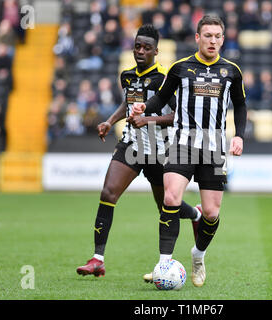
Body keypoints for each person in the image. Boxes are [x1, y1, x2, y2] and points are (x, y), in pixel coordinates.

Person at [76, 25, 200, 278]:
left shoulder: (165, 79)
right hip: (131, 145)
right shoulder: (127, 76)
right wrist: (110, 121)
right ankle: (97, 259)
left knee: (166, 205)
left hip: (160, 151)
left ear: (156, 51)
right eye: (137, 46)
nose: (140, 51)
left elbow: (179, 116)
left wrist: (148, 120)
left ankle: (196, 216)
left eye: (146, 47)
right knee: (108, 193)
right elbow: (127, 102)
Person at [131, 15, 247, 287]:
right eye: (208, 35)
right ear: (197, 37)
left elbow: (240, 105)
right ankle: (164, 263)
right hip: (182, 143)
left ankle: (198, 255)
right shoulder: (180, 68)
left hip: (214, 148)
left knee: (211, 213)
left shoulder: (232, 71)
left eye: (218, 36)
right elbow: (161, 97)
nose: (213, 41)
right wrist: (143, 108)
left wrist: (239, 135)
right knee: (170, 198)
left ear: (223, 38)